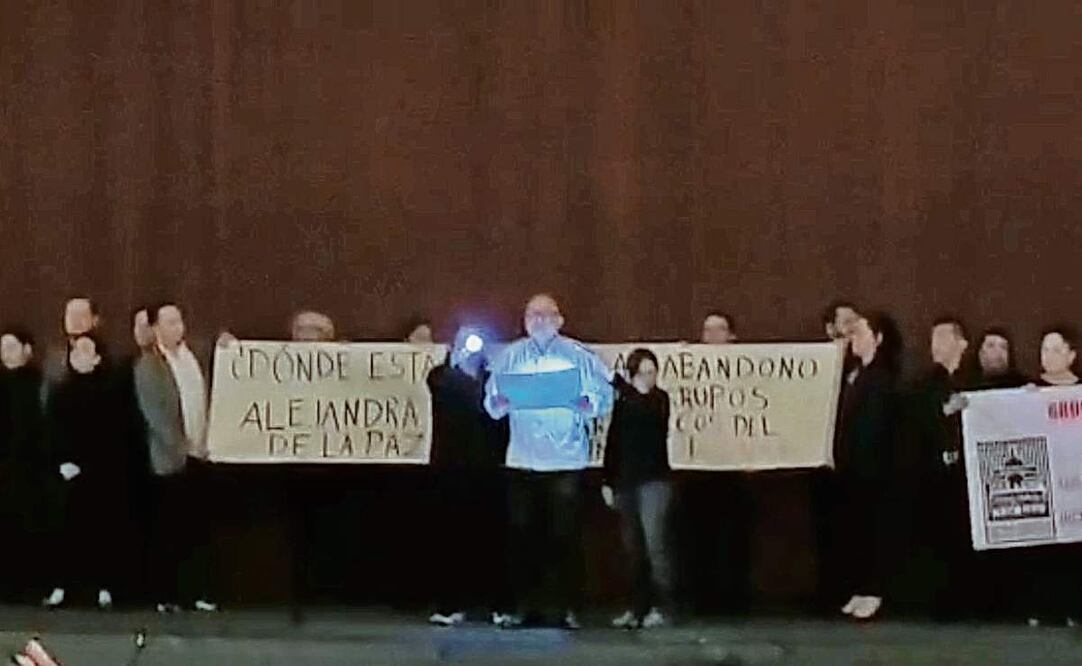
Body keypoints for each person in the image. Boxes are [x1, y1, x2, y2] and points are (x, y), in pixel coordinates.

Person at [484, 294, 613, 629]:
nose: (539, 320)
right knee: (523, 539)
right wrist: (499, 401)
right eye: (533, 315)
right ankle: (525, 608)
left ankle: (565, 609)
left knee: (564, 538)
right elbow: (491, 405)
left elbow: (605, 396)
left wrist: (587, 404)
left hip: (566, 460)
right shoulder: (509, 357)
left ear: (560, 320)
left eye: (546, 314)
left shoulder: (579, 356)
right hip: (522, 460)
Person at [134, 302, 218, 613]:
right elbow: (155, 415)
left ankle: (197, 592)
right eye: (168, 322)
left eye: (179, 321)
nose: (176, 327)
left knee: (196, 530)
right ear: (155, 328)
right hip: (170, 460)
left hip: (202, 455)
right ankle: (167, 595)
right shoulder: (149, 365)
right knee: (169, 531)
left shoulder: (193, 355)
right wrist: (181, 447)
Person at [426, 325, 509, 626]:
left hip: (489, 472)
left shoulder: (492, 382)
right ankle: (449, 605)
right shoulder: (442, 377)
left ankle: (497, 606)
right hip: (452, 471)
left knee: (492, 542)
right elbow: (445, 387)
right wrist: (458, 360)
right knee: (452, 540)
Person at [42, 334, 126, 609]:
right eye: (75, 351)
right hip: (68, 474)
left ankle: (104, 587)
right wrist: (63, 462)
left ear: (98, 358)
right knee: (65, 531)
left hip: (102, 473)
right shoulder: (60, 391)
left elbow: (114, 434)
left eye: (86, 350)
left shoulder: (111, 392)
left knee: (102, 531)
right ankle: (61, 586)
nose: (79, 355)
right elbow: (53, 432)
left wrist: (95, 465)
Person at [833, 312, 901, 621]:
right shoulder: (855, 373)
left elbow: (875, 428)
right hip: (852, 469)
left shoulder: (883, 377)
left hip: (874, 468)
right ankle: (860, 587)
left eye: (859, 333)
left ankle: (875, 589)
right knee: (856, 531)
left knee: (875, 531)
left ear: (878, 338)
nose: (853, 339)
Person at [908, 316, 974, 620]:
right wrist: (945, 410)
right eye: (933, 340)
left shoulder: (974, 379)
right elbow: (916, 421)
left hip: (969, 477)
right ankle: (938, 603)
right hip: (933, 476)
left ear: (961, 343)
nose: (935, 346)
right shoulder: (924, 384)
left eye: (943, 339)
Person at [603, 348, 674, 630]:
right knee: (632, 548)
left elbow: (651, 419)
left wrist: (623, 387)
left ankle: (663, 606)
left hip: (654, 481)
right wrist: (608, 481)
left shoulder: (659, 400)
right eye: (644, 372)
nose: (650, 377)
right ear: (633, 374)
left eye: (653, 372)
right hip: (625, 482)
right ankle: (636, 607)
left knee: (655, 544)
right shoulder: (624, 402)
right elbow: (613, 442)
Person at [0, 328, 47, 601]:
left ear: (27, 350)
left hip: (31, 467)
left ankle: (29, 586)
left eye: (11, 347)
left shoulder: (37, 381)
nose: (6, 353)